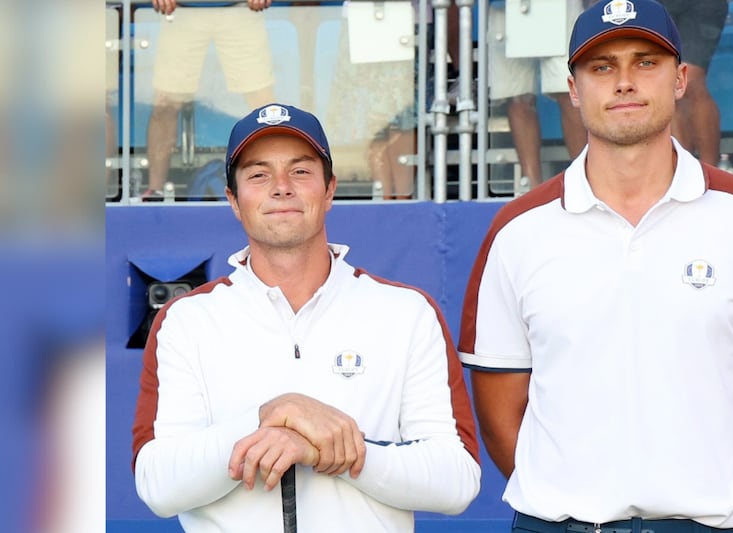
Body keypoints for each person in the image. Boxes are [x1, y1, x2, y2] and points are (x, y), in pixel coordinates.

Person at [458, 1, 733, 531]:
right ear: (574, 89)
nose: (624, 82)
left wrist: (708, 498)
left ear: (681, 78)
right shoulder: (518, 232)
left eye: (645, 62)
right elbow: (500, 415)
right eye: (602, 67)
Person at [131, 103, 481, 531]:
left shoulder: (406, 312)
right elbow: (158, 485)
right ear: (234, 201)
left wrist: (335, 451)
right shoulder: (187, 320)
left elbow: (457, 480)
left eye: (300, 171)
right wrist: (270, 416)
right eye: (258, 174)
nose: (281, 187)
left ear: (330, 189)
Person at [141, 0, 277, 200]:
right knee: (165, 104)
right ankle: (155, 190)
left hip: (241, 8)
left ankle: (276, 187)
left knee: (263, 105)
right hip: (180, 10)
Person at [487, 0, 588, 190]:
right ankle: (531, 188)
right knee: (518, 96)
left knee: (568, 93)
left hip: (561, 5)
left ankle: (585, 180)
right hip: (506, 6)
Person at [659, 0, 728, 165]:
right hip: (655, 4)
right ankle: (683, 168)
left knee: (690, 79)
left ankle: (711, 171)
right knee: (667, 83)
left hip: (700, 4)